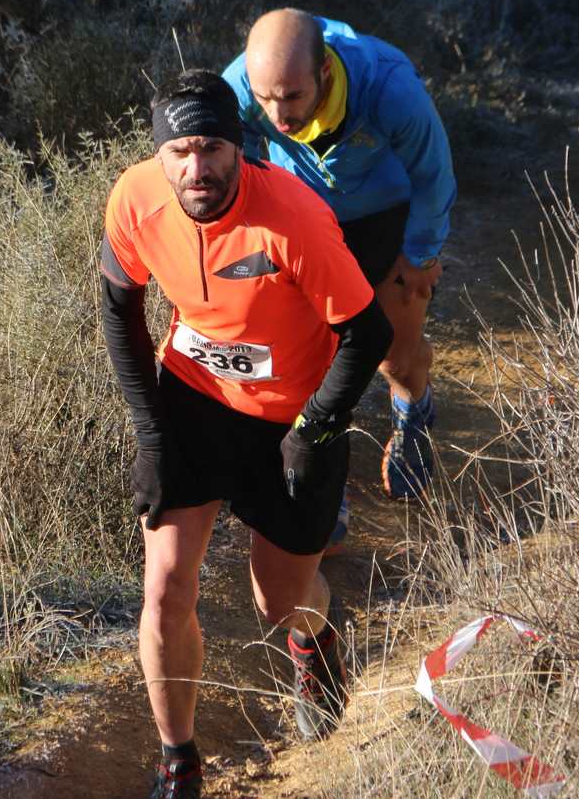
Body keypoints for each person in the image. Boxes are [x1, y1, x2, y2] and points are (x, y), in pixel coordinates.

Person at [101, 70, 393, 798]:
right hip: (197, 399)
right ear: (159, 155)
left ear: (240, 146)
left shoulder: (293, 216)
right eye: (181, 152)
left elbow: (367, 331)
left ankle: (316, 639)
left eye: (212, 149)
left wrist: (314, 428)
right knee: (166, 583)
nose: (197, 168)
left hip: (296, 414)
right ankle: (180, 763)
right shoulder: (135, 198)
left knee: (278, 600)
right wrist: (151, 435)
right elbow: (119, 307)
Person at [222, 10, 455, 508]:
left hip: (386, 218)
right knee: (310, 360)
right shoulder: (242, 83)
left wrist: (422, 254)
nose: (277, 114)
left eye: (291, 97)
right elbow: (224, 151)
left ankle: (414, 411)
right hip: (307, 221)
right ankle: (324, 484)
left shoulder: (389, 89)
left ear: (324, 72)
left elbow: (434, 176)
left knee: (395, 354)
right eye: (265, 98)